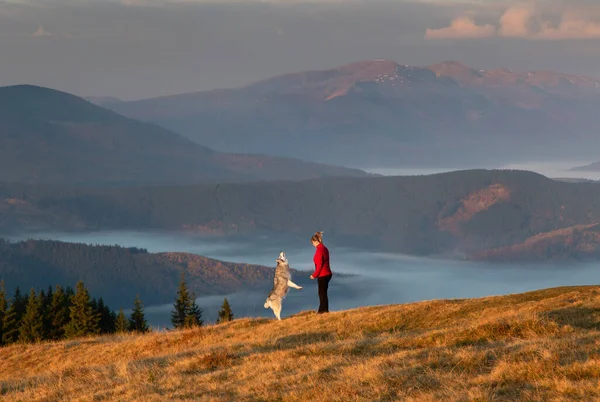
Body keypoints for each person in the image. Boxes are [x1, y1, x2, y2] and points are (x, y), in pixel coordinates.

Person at [309, 231, 332, 314]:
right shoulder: (324, 248)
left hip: (323, 275)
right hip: (327, 273)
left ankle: (322, 311)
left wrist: (314, 275)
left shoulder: (319, 250)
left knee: (322, 293)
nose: (313, 245)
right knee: (323, 293)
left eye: (313, 243)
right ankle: (323, 310)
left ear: (315, 241)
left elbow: (319, 265)